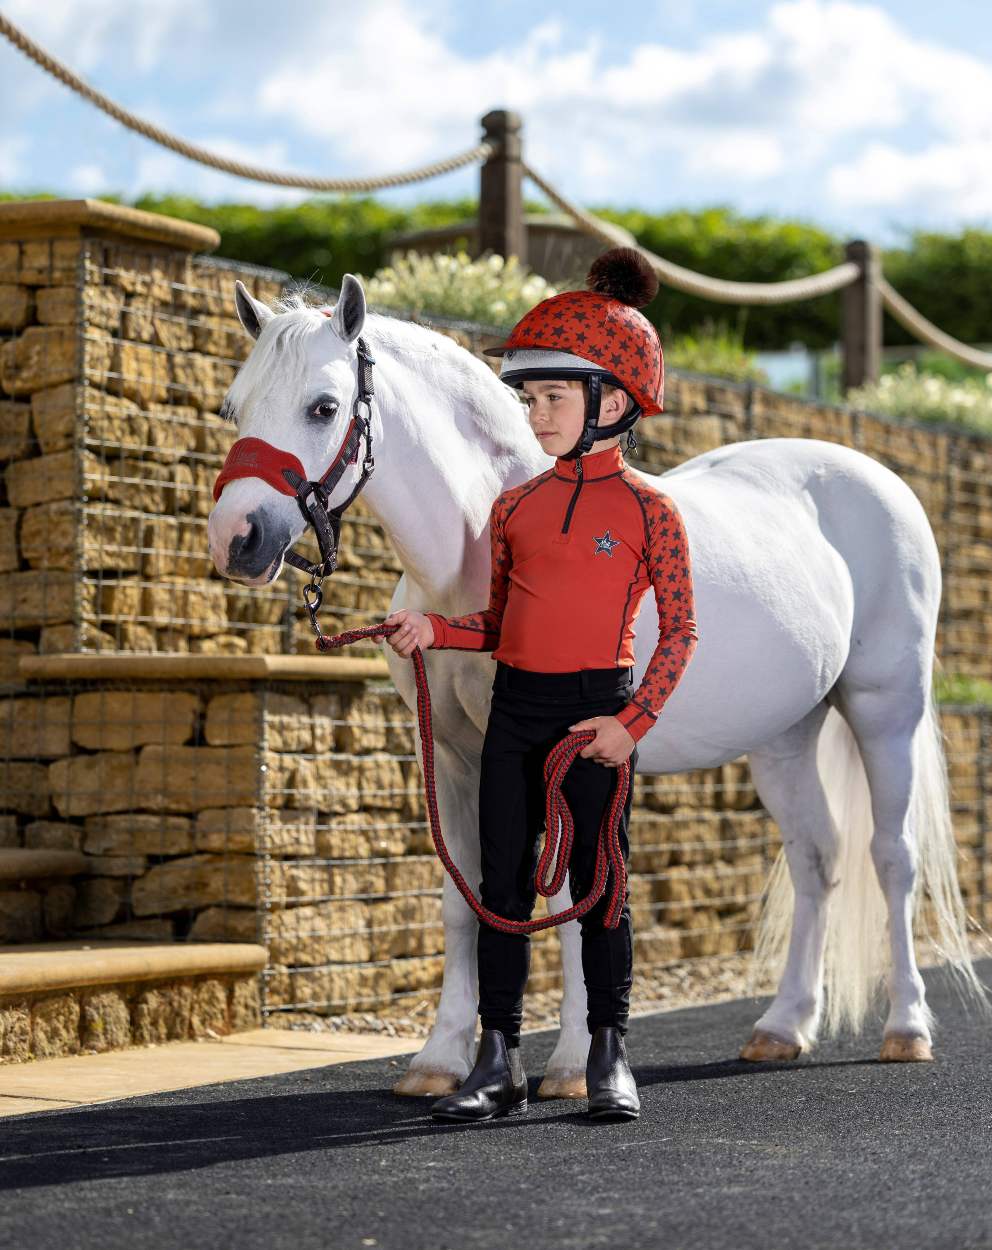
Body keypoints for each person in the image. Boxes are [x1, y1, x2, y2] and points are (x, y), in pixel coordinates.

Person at [384, 247, 698, 1123]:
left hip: (596, 711)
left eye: (553, 398)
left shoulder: (650, 510)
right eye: (529, 399)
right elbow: (495, 627)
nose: (536, 415)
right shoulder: (513, 509)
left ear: (615, 400)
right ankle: (497, 1059)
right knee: (502, 891)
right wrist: (431, 631)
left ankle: (608, 1052)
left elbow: (680, 630)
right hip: (516, 710)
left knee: (601, 887)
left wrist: (633, 723)